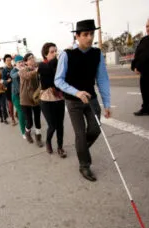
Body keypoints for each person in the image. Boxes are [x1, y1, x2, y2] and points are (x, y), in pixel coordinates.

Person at [54, 19, 111, 182]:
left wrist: (106, 103)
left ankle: (81, 149)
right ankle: (84, 165)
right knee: (80, 133)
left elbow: (102, 79)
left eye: (91, 34)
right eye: (85, 34)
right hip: (73, 101)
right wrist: (77, 92)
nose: (89, 38)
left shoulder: (96, 54)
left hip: (91, 99)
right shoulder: (67, 54)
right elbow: (58, 80)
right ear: (77, 36)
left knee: (95, 129)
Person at [38, 42, 67, 157]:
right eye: (52, 52)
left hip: (59, 98)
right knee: (52, 125)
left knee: (60, 125)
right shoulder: (42, 65)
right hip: (46, 99)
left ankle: (60, 147)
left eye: (56, 51)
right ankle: (48, 141)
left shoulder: (59, 65)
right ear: (45, 54)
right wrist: (59, 58)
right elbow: (48, 73)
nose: (55, 53)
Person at [19, 53, 43, 147]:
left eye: (33, 57)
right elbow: (28, 76)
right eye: (30, 58)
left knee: (37, 119)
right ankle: (27, 132)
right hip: (25, 100)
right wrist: (36, 70)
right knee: (29, 121)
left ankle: (38, 137)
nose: (32, 59)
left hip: (36, 98)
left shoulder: (37, 69)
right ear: (25, 62)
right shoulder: (22, 70)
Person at [10, 55, 27, 139]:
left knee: (27, 112)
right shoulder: (13, 71)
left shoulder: (26, 68)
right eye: (19, 62)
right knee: (21, 113)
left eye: (22, 61)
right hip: (16, 95)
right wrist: (20, 71)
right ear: (15, 64)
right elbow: (13, 76)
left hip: (25, 95)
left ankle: (28, 128)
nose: (21, 63)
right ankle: (23, 131)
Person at [2, 54, 17, 126]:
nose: (9, 61)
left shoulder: (14, 68)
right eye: (7, 60)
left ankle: (17, 114)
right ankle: (13, 119)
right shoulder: (4, 70)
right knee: (10, 104)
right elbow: (3, 81)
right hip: (9, 89)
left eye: (10, 60)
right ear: (5, 62)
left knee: (19, 102)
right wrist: (7, 81)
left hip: (17, 88)